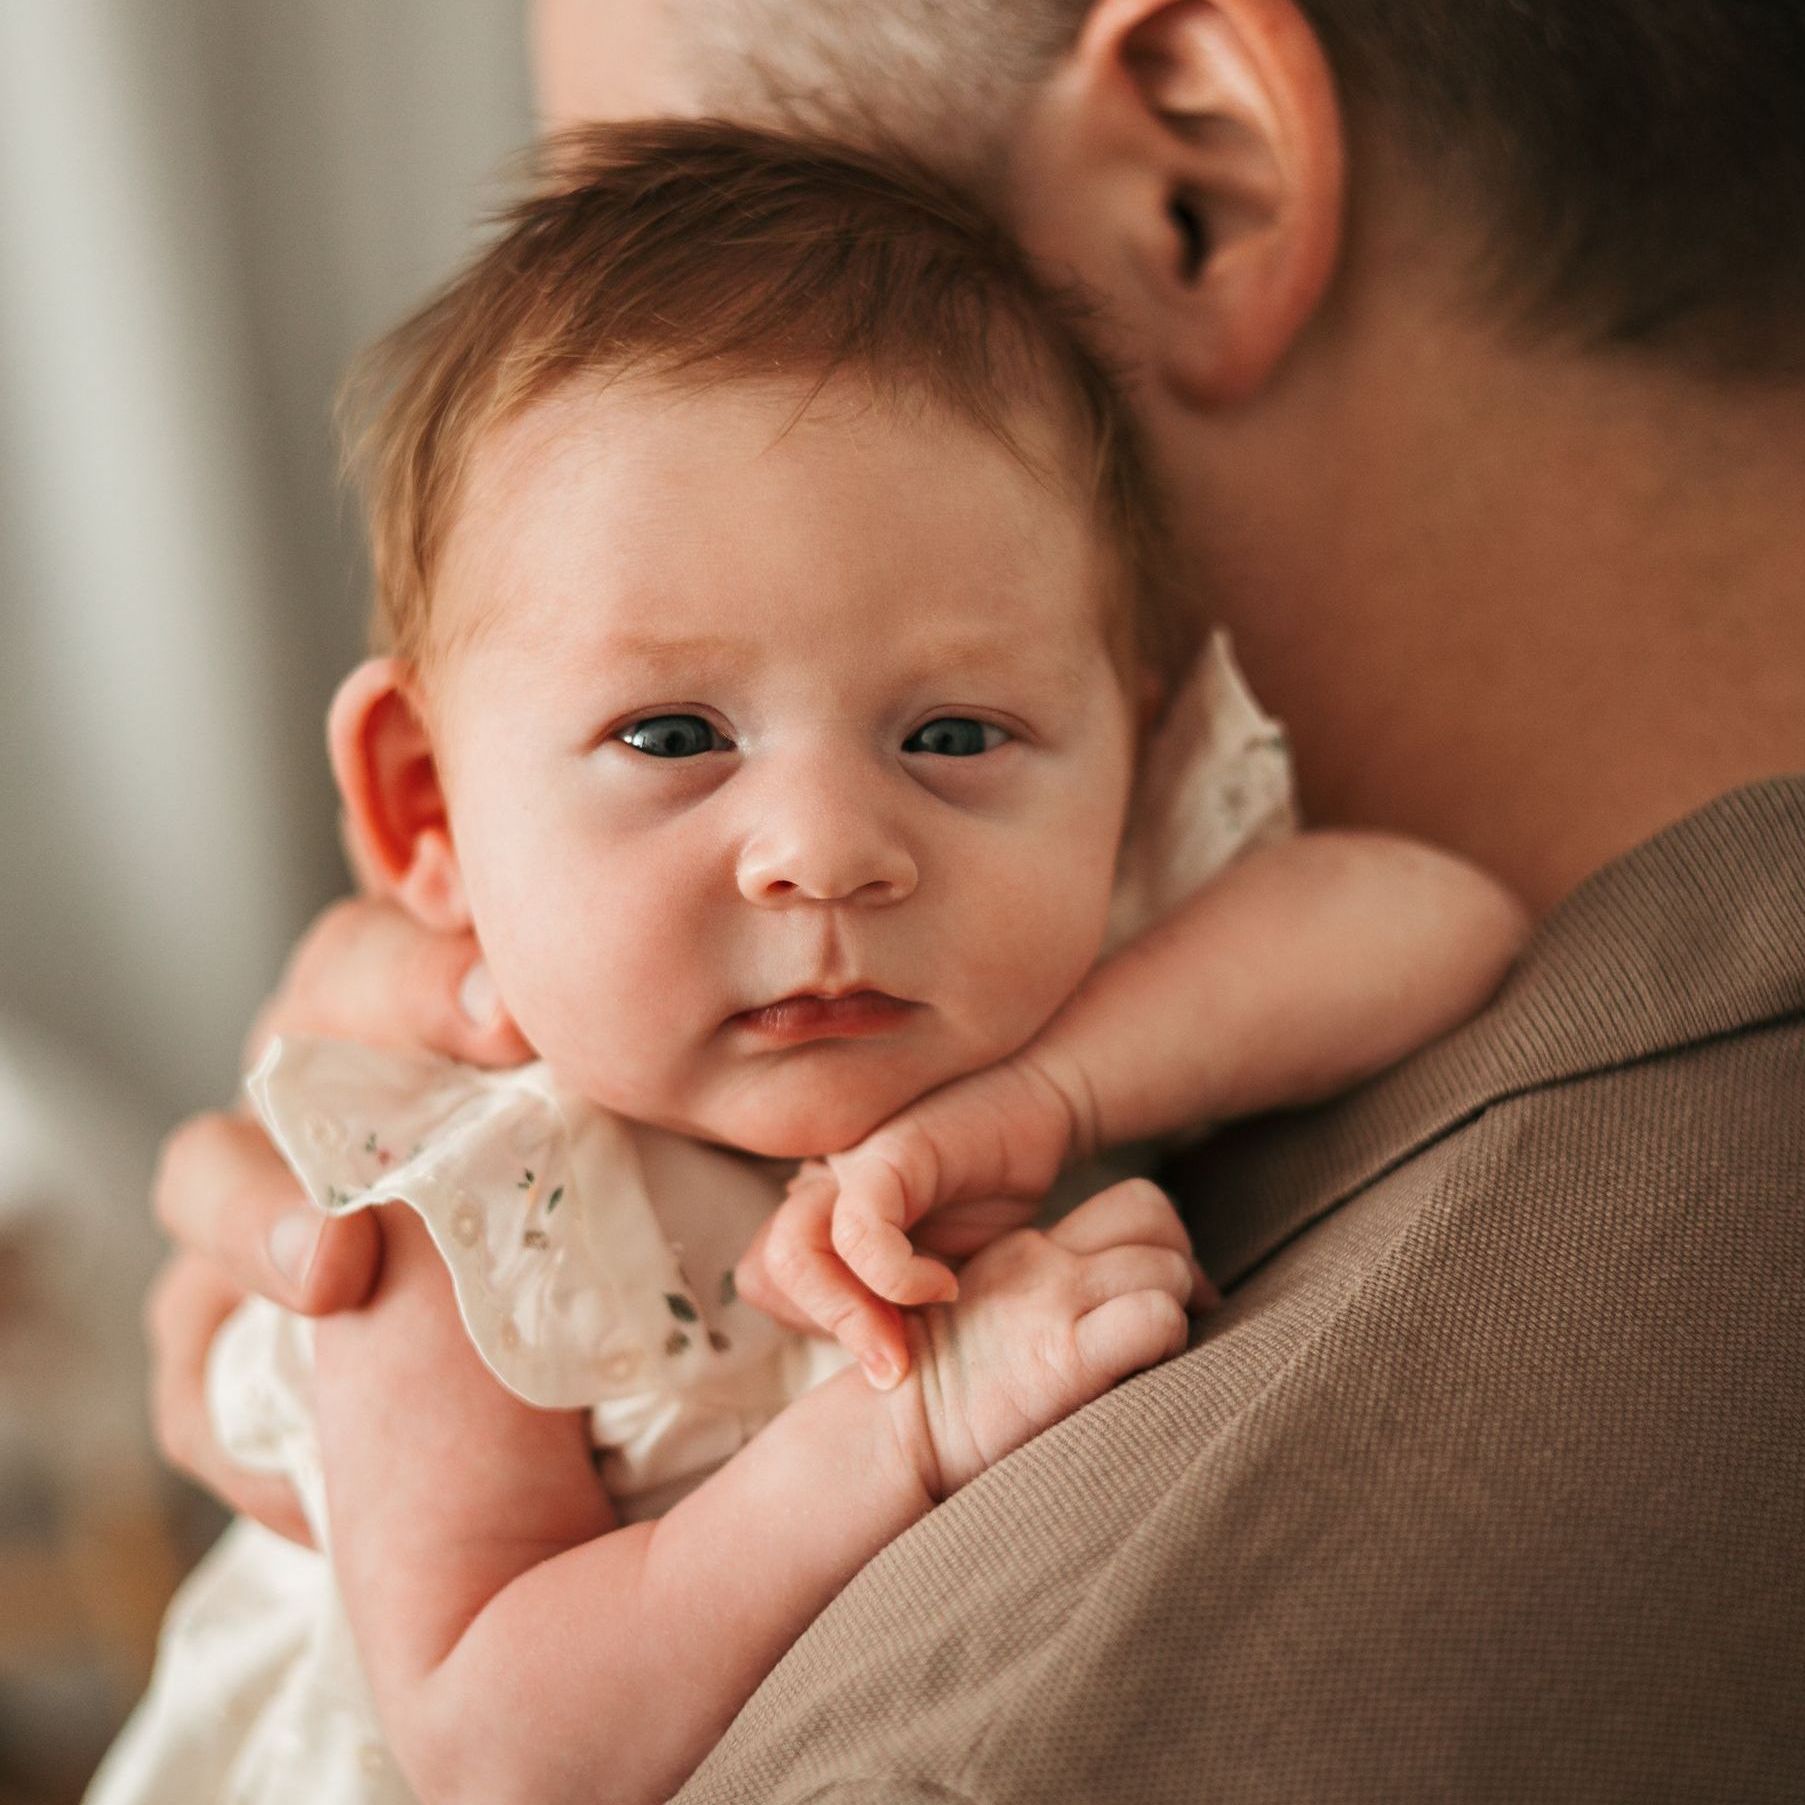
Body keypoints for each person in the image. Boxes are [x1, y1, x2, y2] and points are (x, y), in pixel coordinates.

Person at [145, 2, 1805, 1798]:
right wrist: (901, 1418)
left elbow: (1426, 923)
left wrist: (1054, 1095)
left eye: (946, 729)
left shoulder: (1057, 909)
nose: (828, 854)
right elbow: (495, 1738)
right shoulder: (456, 1196)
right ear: (422, 801)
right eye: (670, 734)